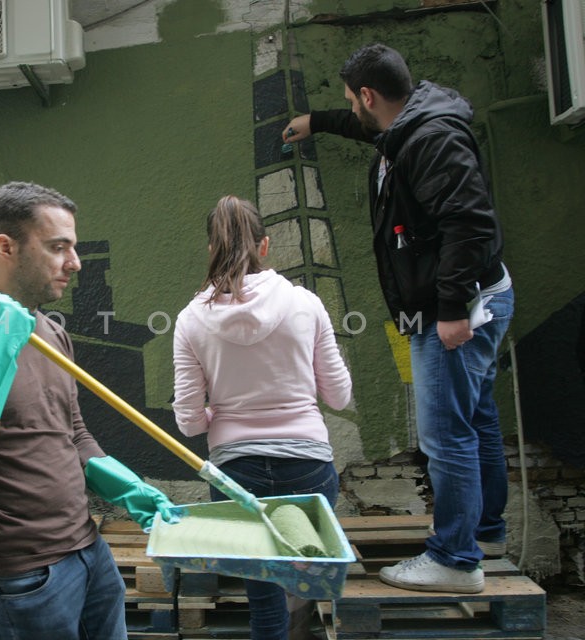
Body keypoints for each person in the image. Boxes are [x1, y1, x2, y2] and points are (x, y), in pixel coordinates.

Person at [282, 43, 514, 594]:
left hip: (454, 311)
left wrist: (454, 310)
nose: (353, 111)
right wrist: (318, 121)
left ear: (369, 96)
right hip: (466, 299)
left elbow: (469, 223)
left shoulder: (430, 139)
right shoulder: (412, 122)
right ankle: (484, 535)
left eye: (350, 102)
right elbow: (372, 130)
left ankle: (456, 561)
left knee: (446, 437)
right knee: (476, 421)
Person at [0, 181, 177, 640]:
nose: (74, 262)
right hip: (23, 575)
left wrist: (129, 489)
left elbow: (71, 433)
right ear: (6, 246)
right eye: (58, 248)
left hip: (90, 551)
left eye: (72, 248)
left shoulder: (53, 335)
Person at [172, 195, 352, 640]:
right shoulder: (306, 304)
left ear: (211, 249)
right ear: (265, 246)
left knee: (264, 603)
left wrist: (222, 410)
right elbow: (340, 396)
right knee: (305, 588)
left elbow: (190, 423)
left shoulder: (190, 320)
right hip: (310, 466)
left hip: (237, 474)